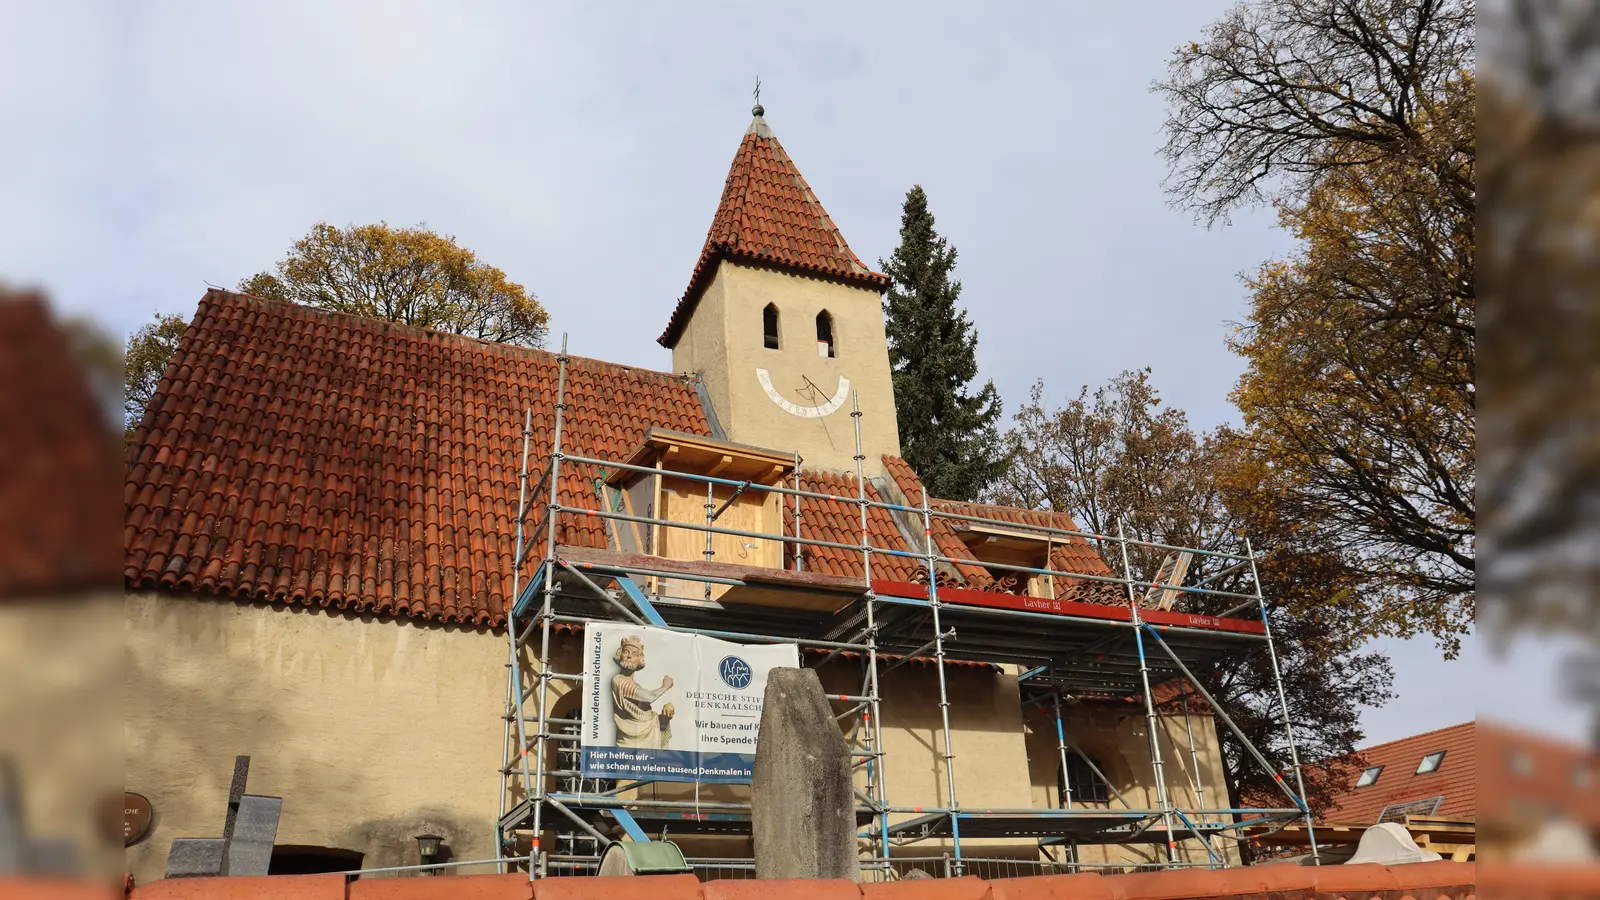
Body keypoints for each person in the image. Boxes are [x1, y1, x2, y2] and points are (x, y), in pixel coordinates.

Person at [611, 635, 676, 749]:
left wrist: (666, 716)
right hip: (629, 744)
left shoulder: (636, 685)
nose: (629, 656)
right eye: (626, 652)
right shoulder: (619, 681)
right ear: (620, 655)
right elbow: (649, 697)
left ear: (640, 660)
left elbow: (647, 719)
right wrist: (665, 686)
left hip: (648, 740)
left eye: (635, 654)